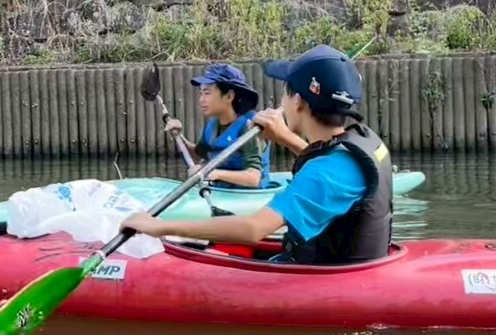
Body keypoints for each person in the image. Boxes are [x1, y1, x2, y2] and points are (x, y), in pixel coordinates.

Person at [122, 44, 393, 264]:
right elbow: (331, 168)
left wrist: (161, 227)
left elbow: (254, 229)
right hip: (344, 259)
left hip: (322, 277)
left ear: (297, 102)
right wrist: (285, 137)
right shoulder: (363, 140)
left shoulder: (322, 174)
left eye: (285, 93)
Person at [165, 62, 270, 190]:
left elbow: (253, 178)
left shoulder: (250, 126)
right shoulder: (213, 124)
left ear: (229, 96)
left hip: (250, 195)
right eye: (201, 93)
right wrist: (178, 135)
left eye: (207, 93)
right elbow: (198, 155)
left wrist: (210, 173)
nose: (201, 99)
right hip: (222, 190)